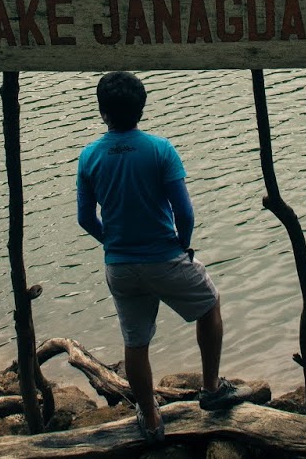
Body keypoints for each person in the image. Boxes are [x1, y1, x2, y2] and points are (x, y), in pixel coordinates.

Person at [76, 70, 253, 443]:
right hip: (165, 258)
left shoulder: (89, 156)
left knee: (136, 339)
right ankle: (211, 389)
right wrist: (182, 244)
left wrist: (111, 241)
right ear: (141, 108)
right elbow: (184, 212)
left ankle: (152, 419)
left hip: (120, 266)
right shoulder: (160, 149)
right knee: (209, 305)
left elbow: (84, 218)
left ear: (101, 111)